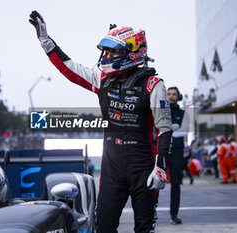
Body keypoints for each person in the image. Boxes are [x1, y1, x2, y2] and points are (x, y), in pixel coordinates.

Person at [29, 11, 173, 233]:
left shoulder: (154, 84)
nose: (107, 55)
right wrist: (47, 43)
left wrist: (160, 167)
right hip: (112, 164)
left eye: (113, 50)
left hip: (142, 164)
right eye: (106, 50)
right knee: (104, 226)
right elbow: (70, 69)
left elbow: (164, 130)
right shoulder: (103, 78)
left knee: (144, 228)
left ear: (133, 52)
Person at [167, 86, 189, 224]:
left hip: (177, 151)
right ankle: (150, 215)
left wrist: (169, 128)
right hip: (162, 150)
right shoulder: (161, 111)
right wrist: (176, 127)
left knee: (175, 185)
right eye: (169, 94)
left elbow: (185, 132)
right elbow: (158, 129)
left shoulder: (183, 113)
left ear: (178, 96)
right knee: (153, 184)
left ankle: (174, 215)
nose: (171, 96)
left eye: (174, 94)